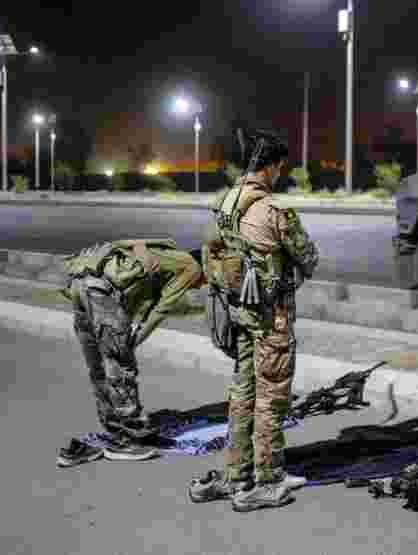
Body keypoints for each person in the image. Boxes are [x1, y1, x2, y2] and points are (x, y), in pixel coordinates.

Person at [189, 132, 320, 512]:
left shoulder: (225, 203)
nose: (281, 174)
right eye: (281, 167)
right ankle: (266, 480)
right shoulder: (273, 211)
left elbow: (210, 251)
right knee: (271, 396)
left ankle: (236, 473)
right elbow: (309, 259)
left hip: (239, 314)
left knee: (243, 393)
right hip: (270, 318)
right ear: (272, 165)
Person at [56, 240, 206, 467]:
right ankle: (131, 440)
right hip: (101, 293)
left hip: (80, 285)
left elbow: (138, 303)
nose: (199, 286)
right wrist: (133, 341)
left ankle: (115, 431)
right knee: (120, 364)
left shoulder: (160, 256)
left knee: (98, 366)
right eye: (203, 282)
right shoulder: (191, 267)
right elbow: (161, 309)